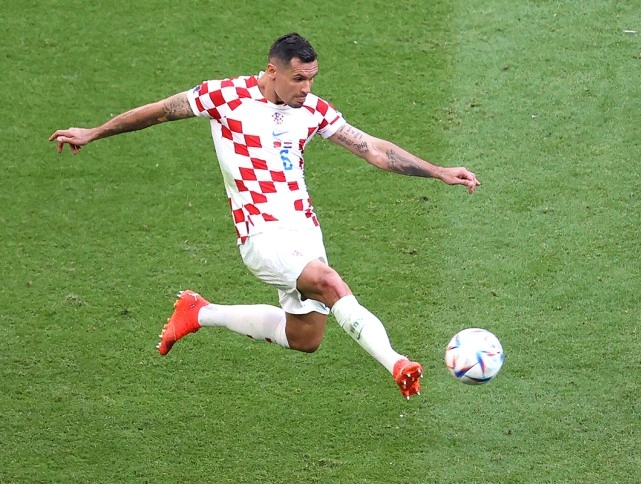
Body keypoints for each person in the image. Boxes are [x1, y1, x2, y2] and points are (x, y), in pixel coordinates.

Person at [49, 32, 480, 399]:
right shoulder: (225, 96)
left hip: (304, 231)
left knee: (305, 337)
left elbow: (374, 150)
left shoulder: (313, 110)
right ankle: (397, 363)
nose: (306, 88)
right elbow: (160, 111)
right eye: (298, 79)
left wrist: (438, 171)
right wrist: (94, 132)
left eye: (312, 78)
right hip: (261, 235)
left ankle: (198, 312)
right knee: (330, 284)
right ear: (272, 71)